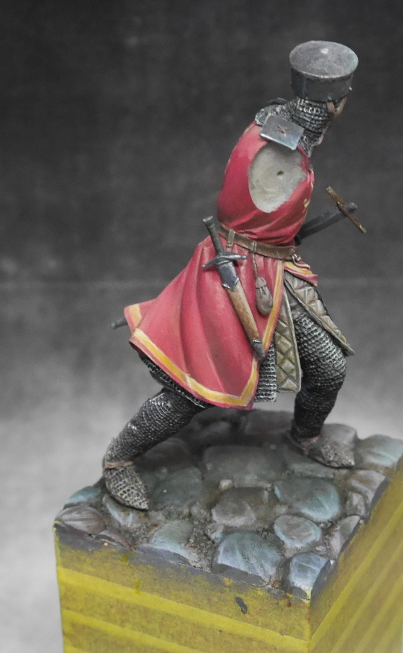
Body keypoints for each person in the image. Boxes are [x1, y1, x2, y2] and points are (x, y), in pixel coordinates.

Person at [103, 41, 359, 510]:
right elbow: (244, 211)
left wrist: (282, 237)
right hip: (238, 272)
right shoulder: (279, 150)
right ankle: (118, 458)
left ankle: (305, 435)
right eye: (342, 100)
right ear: (331, 105)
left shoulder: (278, 120)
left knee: (328, 366)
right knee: (191, 387)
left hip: (275, 267)